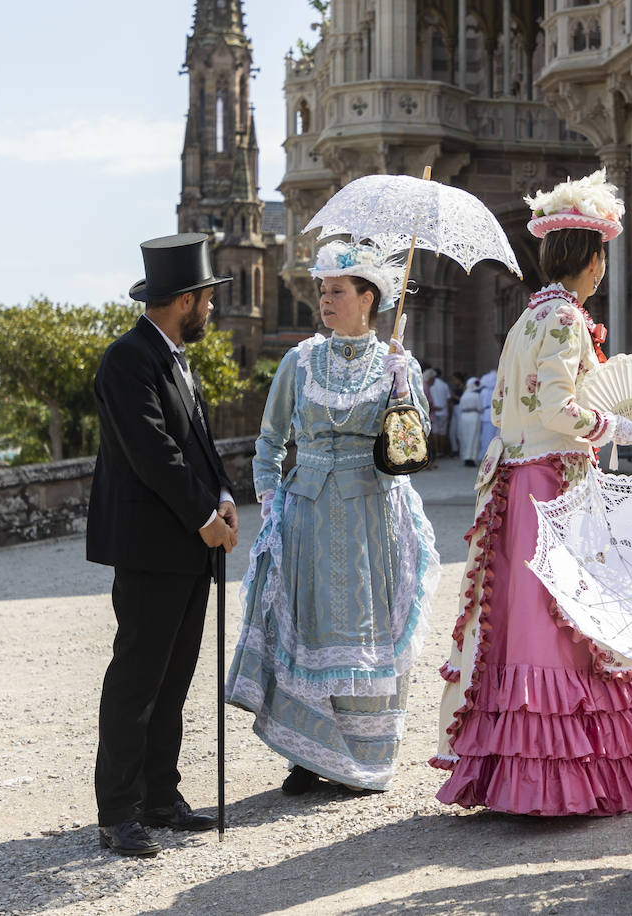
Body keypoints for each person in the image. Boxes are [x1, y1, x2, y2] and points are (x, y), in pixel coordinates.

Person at [432, 169, 632, 815]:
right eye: (603, 256)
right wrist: (613, 423)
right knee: (557, 620)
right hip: (552, 481)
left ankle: (516, 770)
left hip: (520, 478)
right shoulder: (565, 319)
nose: (603, 268)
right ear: (591, 258)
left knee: (530, 616)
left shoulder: (530, 317)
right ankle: (554, 776)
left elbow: (513, 403)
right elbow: (557, 404)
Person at [224, 239, 441, 792]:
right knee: (313, 628)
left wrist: (402, 388)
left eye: (337, 291)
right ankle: (307, 754)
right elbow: (269, 442)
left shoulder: (398, 363)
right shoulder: (300, 362)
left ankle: (361, 755)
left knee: (365, 629)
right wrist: (272, 503)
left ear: (368, 298)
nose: (325, 300)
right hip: (308, 516)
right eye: (322, 291)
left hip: (373, 512)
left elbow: (414, 447)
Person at [87, 233, 239, 857]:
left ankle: (160, 794)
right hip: (152, 546)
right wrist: (205, 515)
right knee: (138, 679)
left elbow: (199, 445)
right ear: (186, 298)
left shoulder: (173, 356)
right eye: (208, 298)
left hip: (187, 547)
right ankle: (117, 810)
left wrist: (225, 493)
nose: (212, 309)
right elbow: (154, 452)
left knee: (173, 678)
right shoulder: (128, 359)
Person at [456, 376, 483, 466]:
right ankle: (471, 458)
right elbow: (480, 407)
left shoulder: (464, 395)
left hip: (464, 416)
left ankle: (465, 457)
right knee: (473, 437)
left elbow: (460, 407)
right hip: (474, 415)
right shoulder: (476, 395)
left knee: (465, 437)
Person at [426, 367, 451, 458]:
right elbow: (448, 399)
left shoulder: (430, 384)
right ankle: (442, 451)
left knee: (435, 432)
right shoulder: (444, 385)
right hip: (443, 411)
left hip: (434, 412)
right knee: (442, 432)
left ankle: (437, 451)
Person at [478, 367, 499, 457]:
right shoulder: (495, 391)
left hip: (486, 414)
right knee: (491, 436)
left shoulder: (484, 391)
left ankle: (485, 455)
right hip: (493, 413)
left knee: (486, 436)